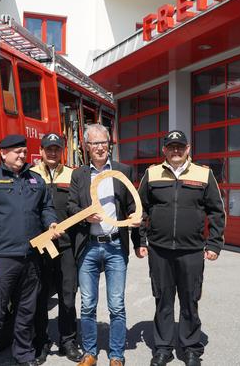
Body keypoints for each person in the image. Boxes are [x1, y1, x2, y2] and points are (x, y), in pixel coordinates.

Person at [0, 134, 60, 366]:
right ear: (3, 153)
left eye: (23, 151)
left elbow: (46, 207)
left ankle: (23, 355)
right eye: (16, 151)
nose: (21, 155)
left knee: (26, 312)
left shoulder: (35, 180)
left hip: (31, 258)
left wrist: (51, 222)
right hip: (0, 260)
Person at [136, 130, 226, 366]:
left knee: (189, 299)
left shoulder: (204, 174)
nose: (175, 151)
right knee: (163, 300)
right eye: (171, 147)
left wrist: (214, 243)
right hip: (159, 250)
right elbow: (140, 209)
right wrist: (140, 241)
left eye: (180, 147)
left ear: (188, 149)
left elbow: (216, 211)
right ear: (164, 150)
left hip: (192, 250)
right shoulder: (152, 173)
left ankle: (190, 349)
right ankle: (163, 348)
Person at [67, 124, 141, 366]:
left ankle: (116, 355)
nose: (99, 147)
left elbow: (133, 206)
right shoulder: (78, 175)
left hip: (115, 246)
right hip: (88, 246)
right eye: (94, 143)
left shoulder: (123, 171)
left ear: (109, 144)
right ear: (86, 147)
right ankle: (89, 353)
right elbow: (71, 207)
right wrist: (85, 215)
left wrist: (137, 221)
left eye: (103, 142)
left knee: (116, 304)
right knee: (87, 304)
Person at [31, 133, 84, 364]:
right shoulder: (30, 175)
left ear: (62, 151)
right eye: (48, 149)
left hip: (66, 246)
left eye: (56, 149)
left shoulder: (72, 174)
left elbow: (80, 206)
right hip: (40, 247)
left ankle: (68, 341)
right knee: (39, 296)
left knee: (68, 295)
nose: (52, 153)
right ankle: (40, 342)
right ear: (41, 150)